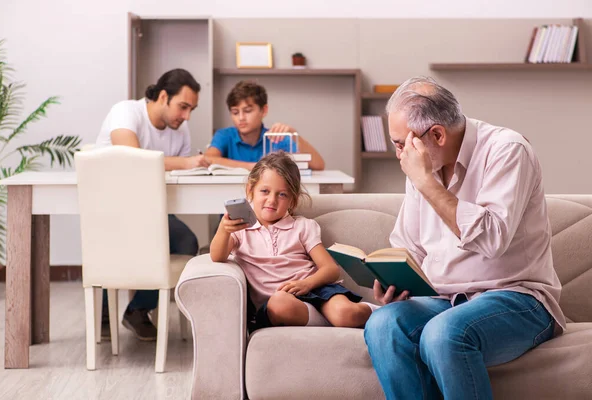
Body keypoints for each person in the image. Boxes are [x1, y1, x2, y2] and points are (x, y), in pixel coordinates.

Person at [363, 76, 565, 400]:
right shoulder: (421, 164)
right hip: (444, 299)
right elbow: (408, 244)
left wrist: (427, 183)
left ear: (437, 135)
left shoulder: (507, 150)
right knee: (383, 325)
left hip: (518, 299)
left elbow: (492, 240)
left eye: (401, 144)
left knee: (443, 334)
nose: (399, 154)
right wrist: (394, 277)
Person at [96, 68, 206, 340]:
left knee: (186, 242)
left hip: (152, 210)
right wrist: (187, 162)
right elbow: (131, 158)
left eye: (191, 109)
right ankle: (105, 314)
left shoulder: (180, 131)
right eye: (183, 107)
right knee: (130, 241)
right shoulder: (126, 112)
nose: (187, 116)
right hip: (111, 211)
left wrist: (188, 166)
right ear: (163, 96)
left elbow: (179, 175)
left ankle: (137, 310)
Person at [210, 152, 376, 331]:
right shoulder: (241, 230)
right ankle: (329, 320)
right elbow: (217, 256)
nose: (272, 200)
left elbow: (331, 270)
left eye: (282, 195)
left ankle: (378, 313)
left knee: (346, 313)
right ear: (250, 190)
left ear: (292, 199)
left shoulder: (302, 226)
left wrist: (306, 284)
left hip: (316, 289)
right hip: (280, 301)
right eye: (264, 191)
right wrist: (223, 228)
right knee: (280, 304)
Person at [204, 80, 325, 171]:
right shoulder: (224, 135)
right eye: (235, 112)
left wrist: (294, 135)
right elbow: (208, 159)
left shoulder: (277, 138)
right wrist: (255, 167)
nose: (241, 118)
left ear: (264, 110)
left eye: (247, 111)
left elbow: (318, 165)